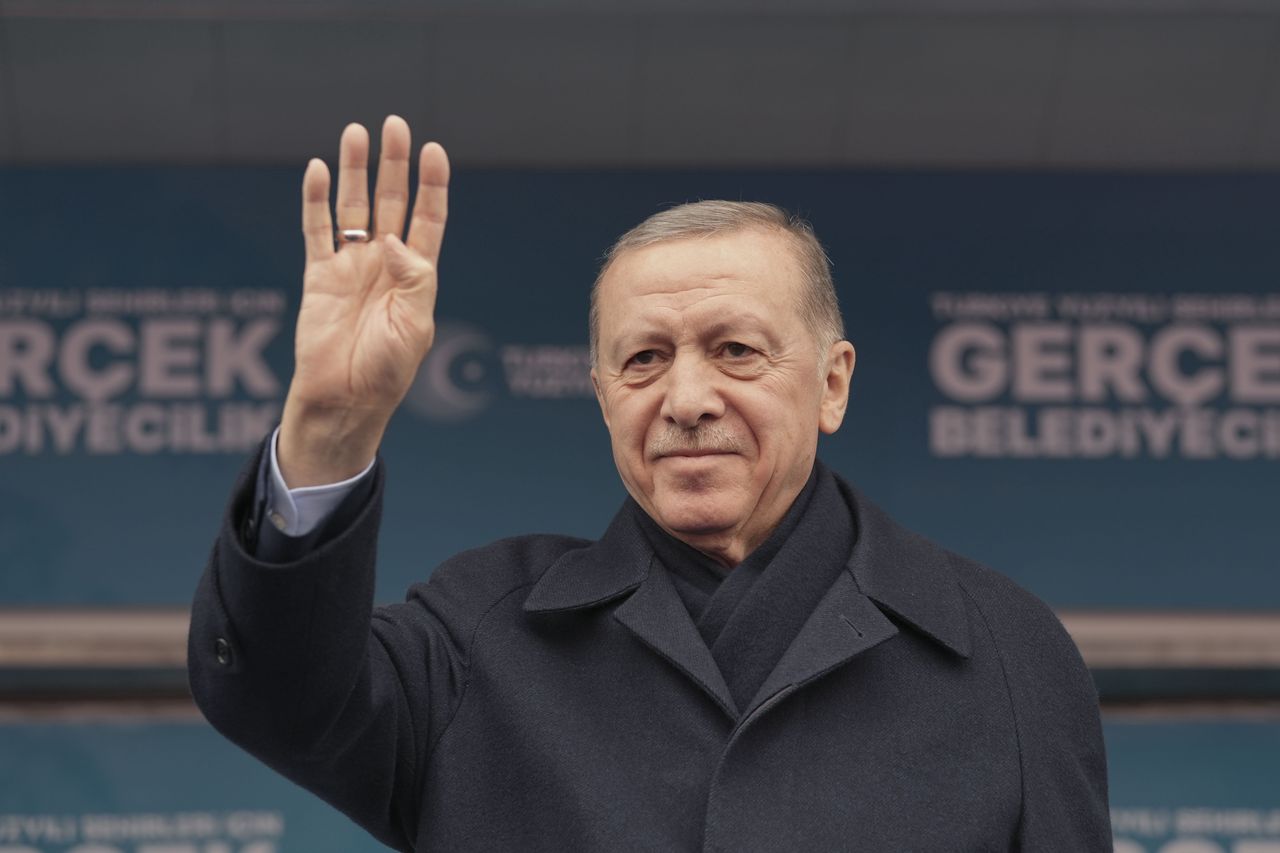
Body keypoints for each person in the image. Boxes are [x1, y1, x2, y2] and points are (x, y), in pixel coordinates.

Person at [188, 116, 1112, 852]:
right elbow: (276, 696)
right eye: (644, 359)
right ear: (601, 396)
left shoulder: (1004, 652)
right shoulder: (483, 636)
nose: (687, 399)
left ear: (832, 383)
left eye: (735, 350)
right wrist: (329, 428)